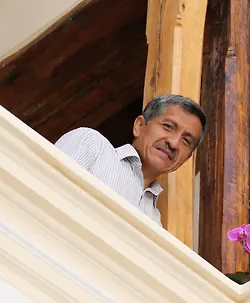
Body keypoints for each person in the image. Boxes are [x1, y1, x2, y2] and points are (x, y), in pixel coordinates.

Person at [54, 94, 206, 226]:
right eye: (168, 126)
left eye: (186, 141)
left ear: (186, 159)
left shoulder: (155, 222)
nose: (174, 143)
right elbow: (46, 190)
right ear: (139, 126)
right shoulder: (92, 145)